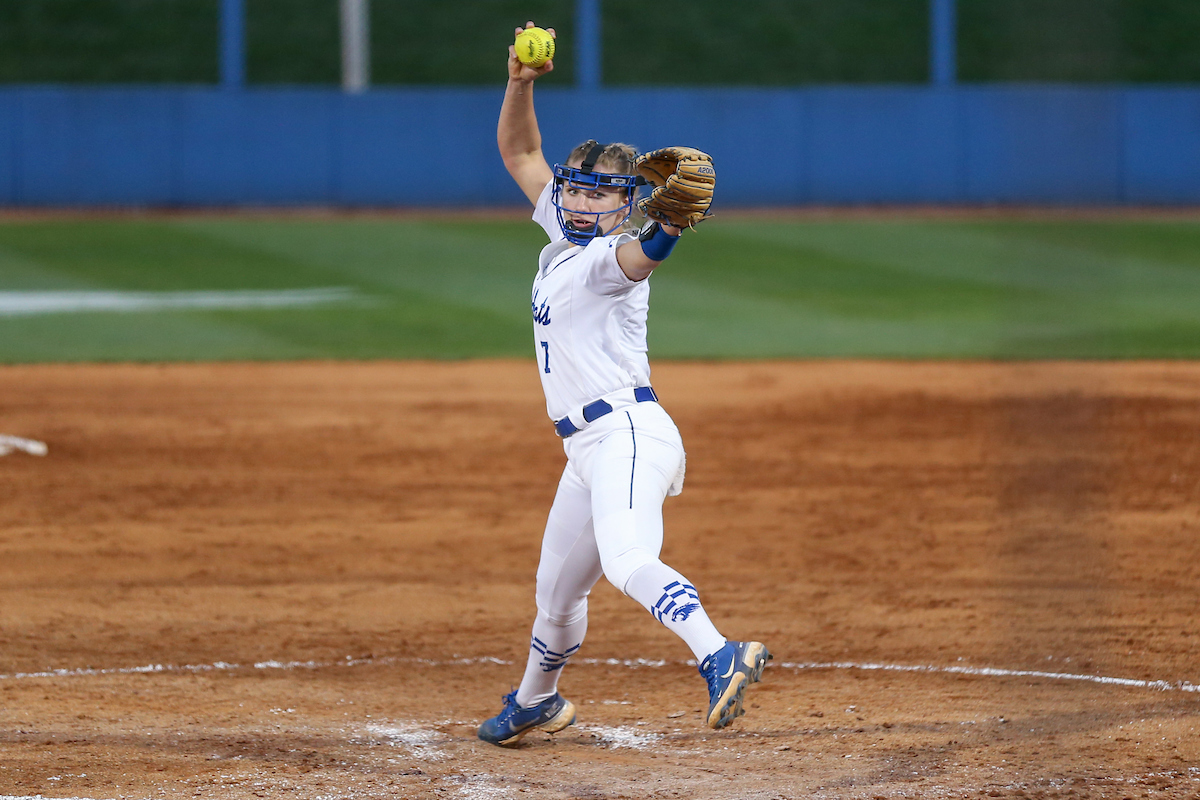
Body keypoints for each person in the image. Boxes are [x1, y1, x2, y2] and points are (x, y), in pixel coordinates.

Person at [477, 21, 770, 748]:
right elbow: (518, 150)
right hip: (587, 450)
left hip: (628, 435)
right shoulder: (562, 234)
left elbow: (643, 260)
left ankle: (718, 652)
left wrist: (668, 229)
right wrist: (519, 83)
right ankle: (536, 700)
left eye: (599, 196)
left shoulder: (611, 254)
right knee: (555, 597)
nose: (578, 205)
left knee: (628, 558)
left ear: (627, 204)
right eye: (573, 191)